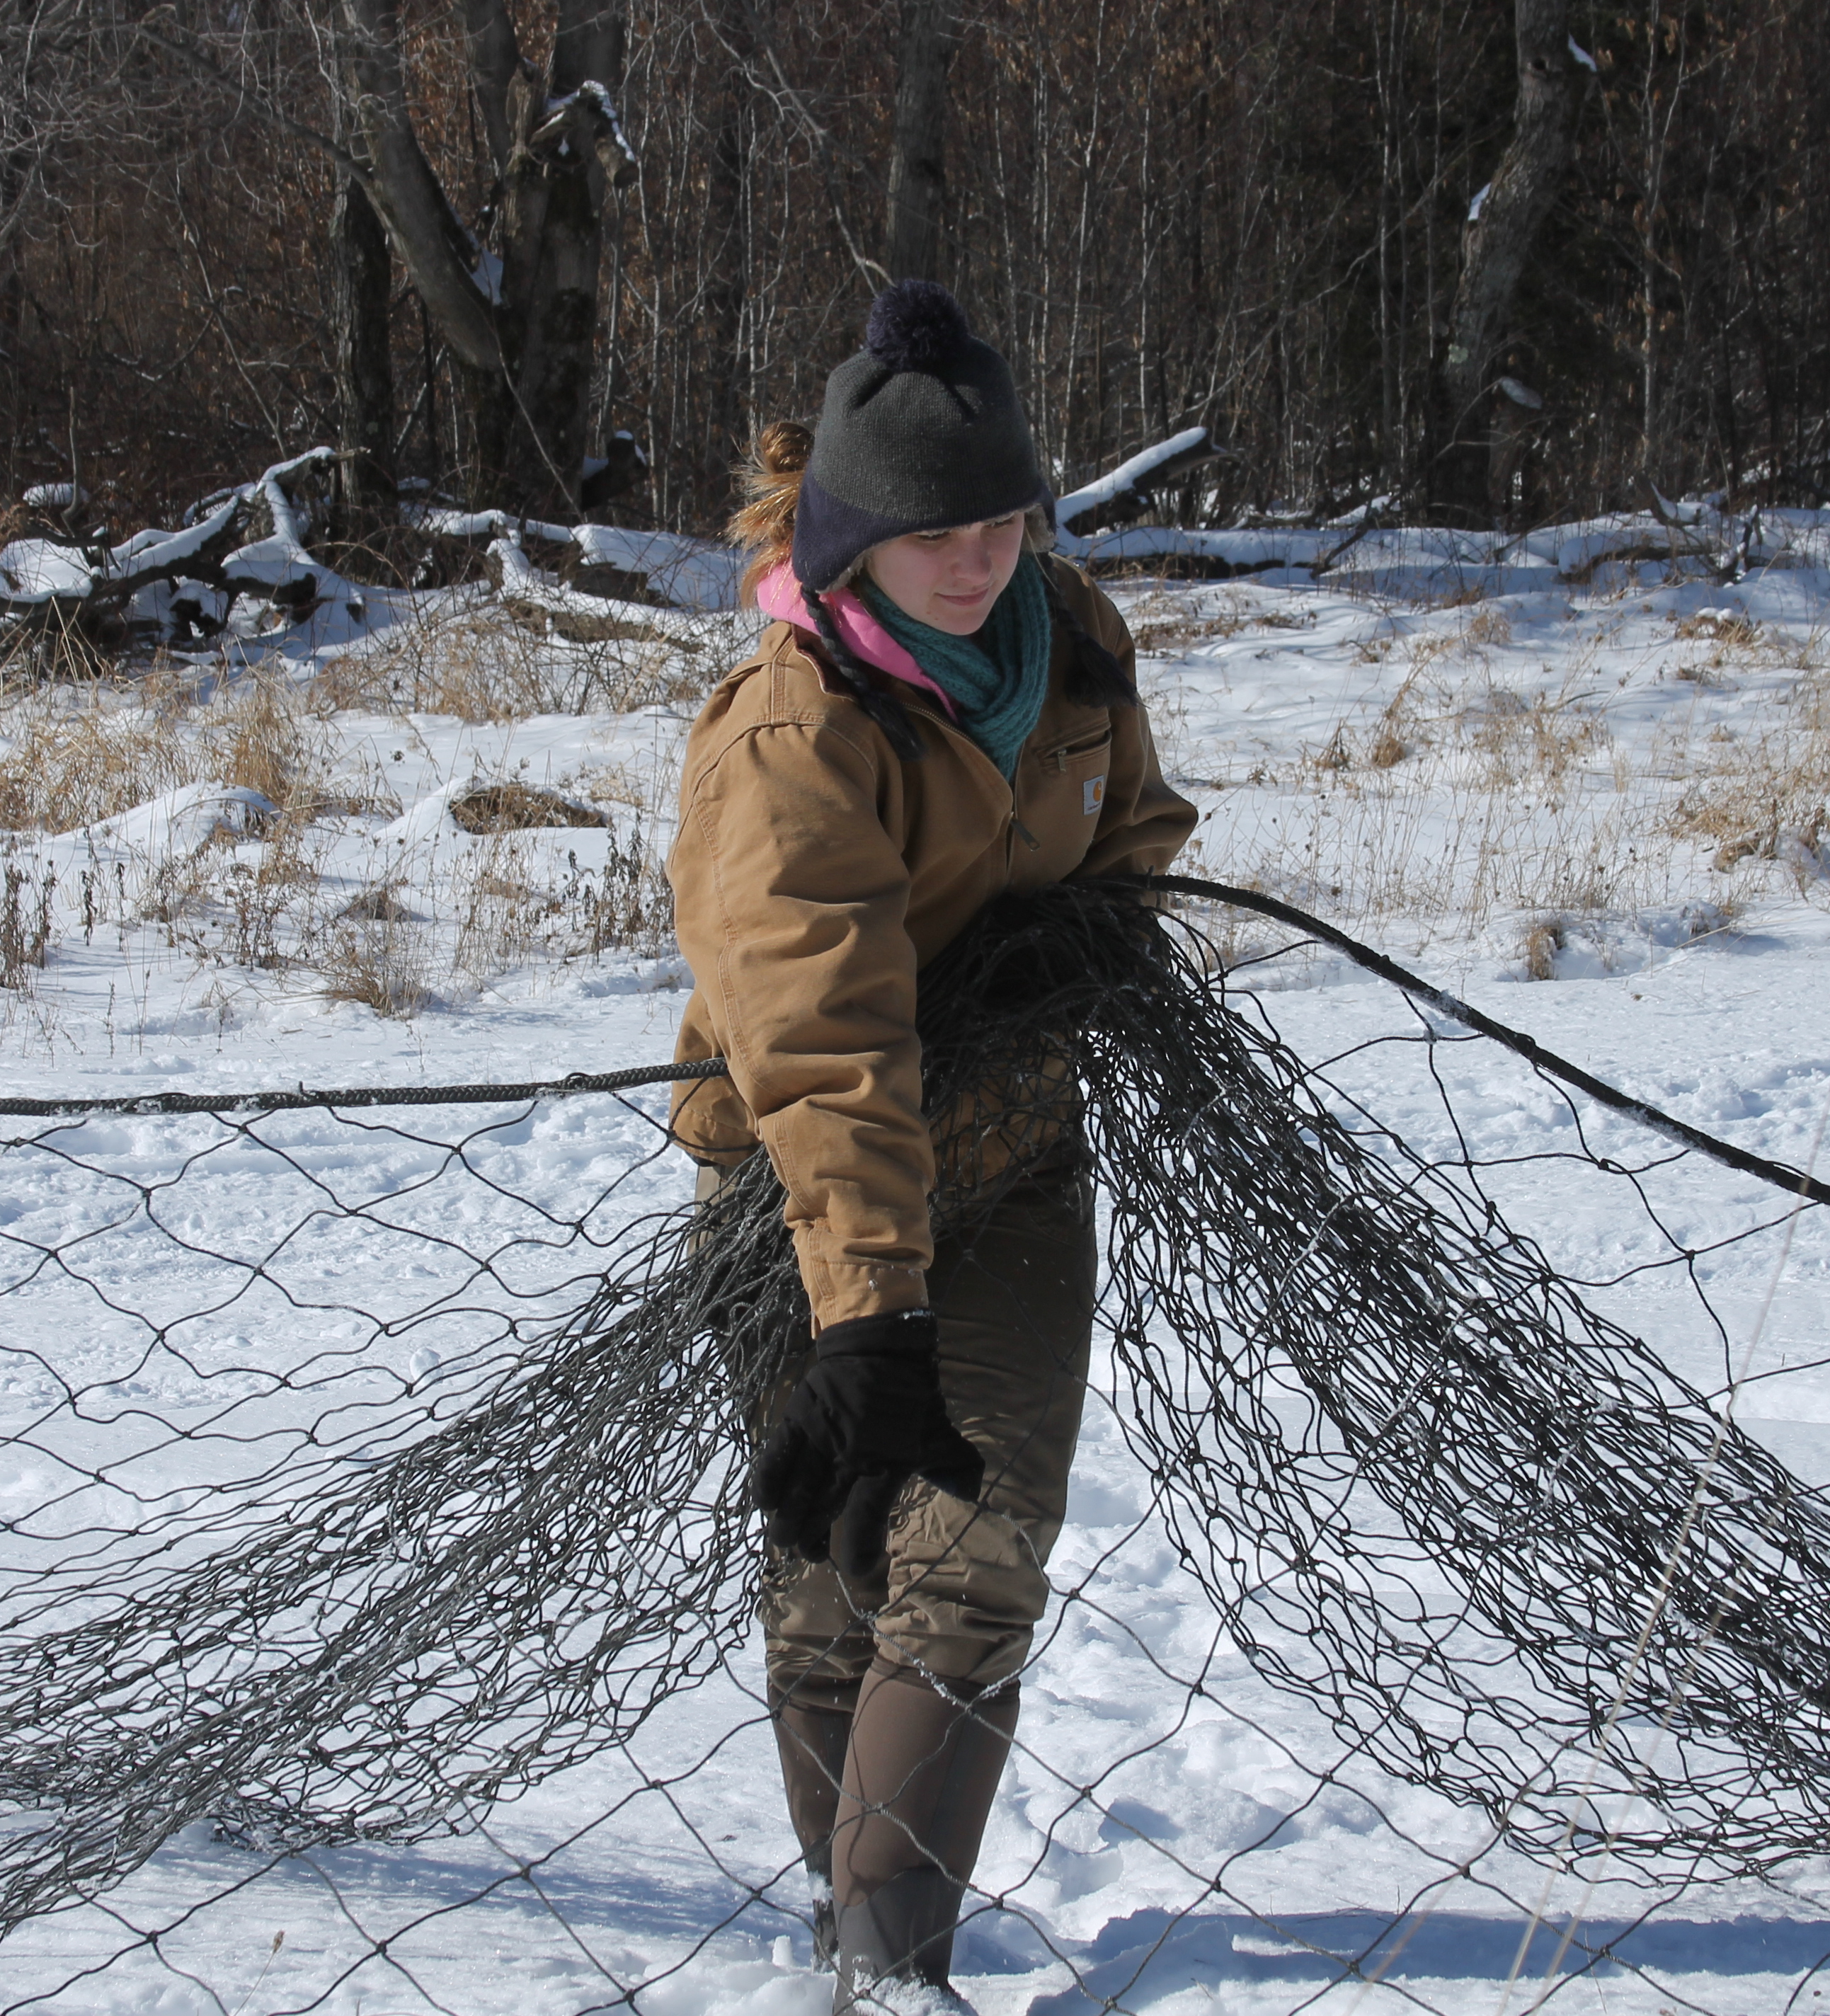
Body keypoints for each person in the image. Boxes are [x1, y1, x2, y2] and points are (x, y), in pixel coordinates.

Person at [666, 280, 1196, 2016]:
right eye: (933, 533)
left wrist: (1094, 935)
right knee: (839, 1553)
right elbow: (822, 1055)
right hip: (798, 1197)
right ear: (847, 537)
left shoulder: (1075, 634)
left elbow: (1136, 825)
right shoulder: (786, 739)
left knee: (978, 1551)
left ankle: (894, 1968)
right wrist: (868, 1316)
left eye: (1004, 519)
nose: (979, 562)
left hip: (1022, 1152)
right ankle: (844, 1935)